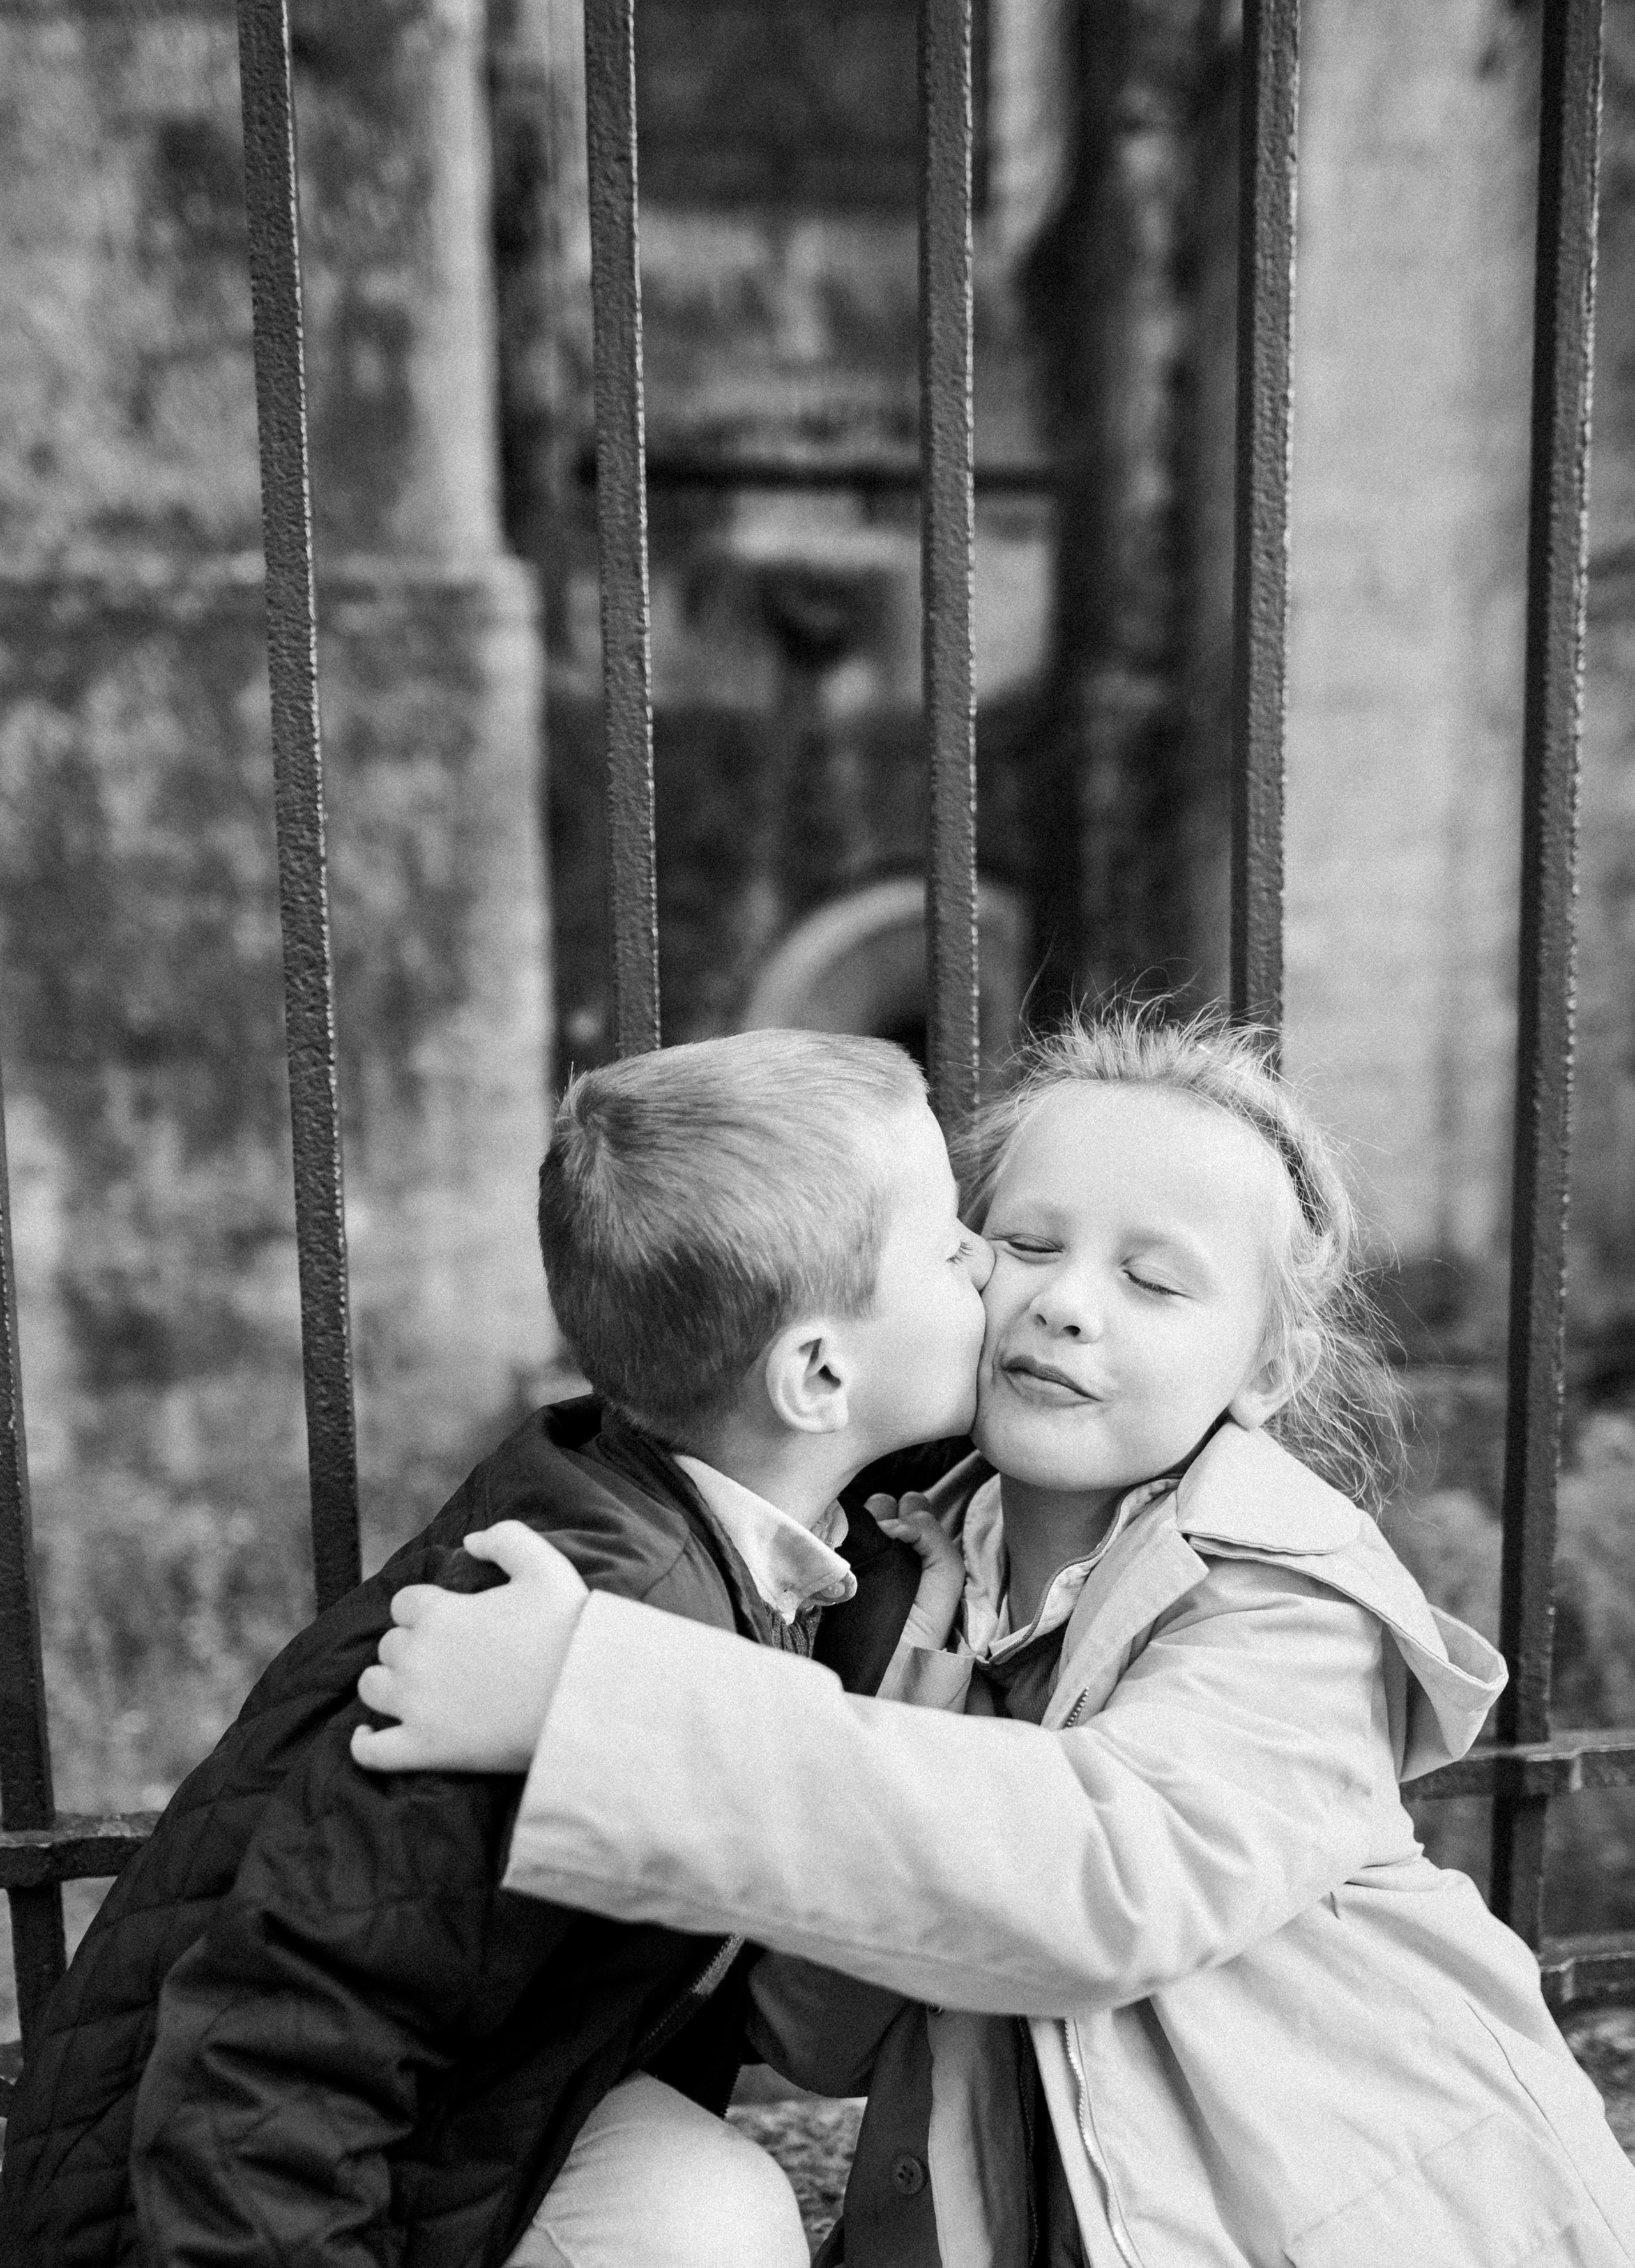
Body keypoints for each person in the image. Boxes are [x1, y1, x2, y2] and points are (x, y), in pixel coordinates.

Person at [354, 1010, 1635, 2267]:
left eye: (1151, 1278)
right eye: (1025, 1242)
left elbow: (1100, 1879)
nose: (1069, 1303)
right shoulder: (900, 1576)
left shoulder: (1287, 1604)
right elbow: (821, 2029)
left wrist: (598, 1706)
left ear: (1265, 1374)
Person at [0, 1029, 992, 2268]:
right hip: (180, 2204)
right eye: (949, 1244)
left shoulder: (690, 1493)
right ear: (816, 1372)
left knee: (705, 2194)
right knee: (710, 2229)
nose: (990, 1263)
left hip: (444, 2111)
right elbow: (278, 2052)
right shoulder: (564, 1631)